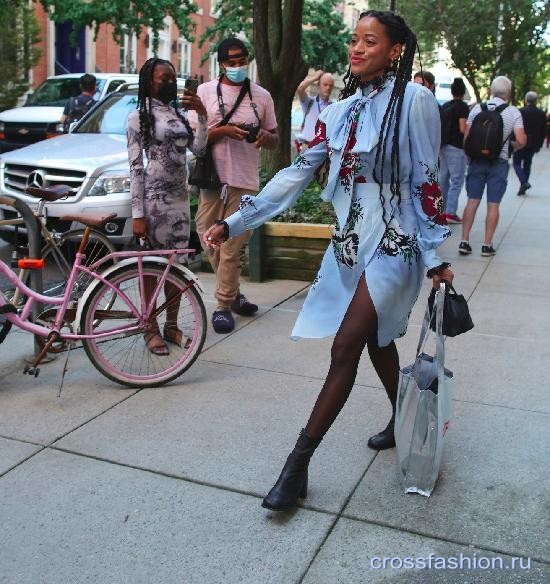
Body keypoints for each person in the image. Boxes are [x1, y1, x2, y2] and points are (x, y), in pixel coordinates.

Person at [203, 10, 453, 511]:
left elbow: (428, 179)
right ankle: (403, 417)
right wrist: (236, 222)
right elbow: (297, 173)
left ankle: (296, 467)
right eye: (354, 40)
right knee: (377, 339)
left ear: (395, 50)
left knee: (345, 347)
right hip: (350, 243)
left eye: (370, 41)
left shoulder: (416, 102)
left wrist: (434, 254)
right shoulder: (340, 113)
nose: (356, 49)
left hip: (396, 242)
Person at [189, 37, 279, 334]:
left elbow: (275, 136)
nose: (238, 66)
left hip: (245, 180)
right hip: (211, 179)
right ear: (221, 62)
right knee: (208, 239)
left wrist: (265, 138)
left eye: (242, 60)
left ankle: (223, 306)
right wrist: (223, 131)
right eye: (232, 61)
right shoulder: (204, 92)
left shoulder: (261, 96)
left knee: (230, 246)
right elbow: (196, 141)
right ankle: (236, 293)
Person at [127, 57, 208, 354]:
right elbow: (135, 168)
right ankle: (150, 327)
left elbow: (198, 150)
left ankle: (172, 325)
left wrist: (202, 115)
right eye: (164, 78)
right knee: (151, 269)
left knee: (176, 269)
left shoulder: (177, 113)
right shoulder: (138, 117)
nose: (170, 83)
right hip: (154, 203)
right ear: (149, 81)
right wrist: (138, 214)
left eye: (173, 77)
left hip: (179, 201)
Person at [459, 76, 526, 257]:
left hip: (477, 162)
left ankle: (464, 241)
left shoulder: (476, 110)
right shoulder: (513, 112)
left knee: (472, 201)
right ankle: (487, 245)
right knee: (493, 205)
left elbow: (466, 137)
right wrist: (512, 146)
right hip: (499, 162)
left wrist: (470, 156)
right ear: (509, 93)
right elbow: (521, 140)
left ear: (491, 90)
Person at [439, 78, 469, 223]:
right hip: (456, 147)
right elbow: (463, 128)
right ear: (463, 92)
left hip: (443, 146)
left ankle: (441, 210)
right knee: (457, 180)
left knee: (443, 179)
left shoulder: (445, 106)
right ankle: (450, 212)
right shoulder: (463, 107)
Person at [512, 91, 546, 196]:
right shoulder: (541, 114)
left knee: (516, 163)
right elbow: (543, 131)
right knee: (527, 164)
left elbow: (515, 127)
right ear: (536, 101)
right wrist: (539, 145)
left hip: (520, 141)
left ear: (526, 100)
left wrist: (513, 141)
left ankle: (523, 182)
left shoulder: (520, 111)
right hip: (533, 143)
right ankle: (524, 183)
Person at [296, 70, 335, 147]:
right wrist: (314, 78)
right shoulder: (309, 102)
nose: (328, 88)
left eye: (330, 85)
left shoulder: (334, 107)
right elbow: (300, 88)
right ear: (319, 86)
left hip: (324, 151)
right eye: (325, 84)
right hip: (307, 147)